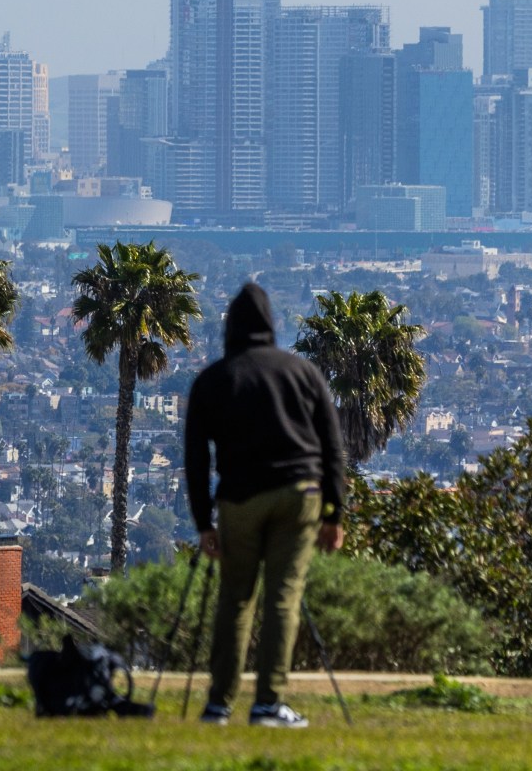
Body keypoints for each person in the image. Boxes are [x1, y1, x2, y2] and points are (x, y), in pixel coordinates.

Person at [182, 281, 346, 729]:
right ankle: (269, 704)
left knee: (235, 600)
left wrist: (203, 522)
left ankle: (219, 705)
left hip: (240, 499)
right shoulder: (302, 372)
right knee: (282, 599)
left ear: (229, 328)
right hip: (300, 495)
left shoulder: (213, 381)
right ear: (272, 325)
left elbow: (196, 459)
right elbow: (333, 447)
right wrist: (334, 513)